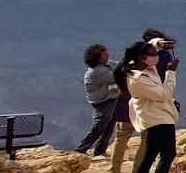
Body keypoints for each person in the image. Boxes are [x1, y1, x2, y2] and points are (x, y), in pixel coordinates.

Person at [117, 40, 179, 173]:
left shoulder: (145, 69)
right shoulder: (139, 79)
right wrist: (171, 73)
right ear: (142, 57)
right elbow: (164, 94)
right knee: (168, 155)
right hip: (158, 118)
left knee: (150, 154)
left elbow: (150, 44)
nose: (156, 56)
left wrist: (160, 43)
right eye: (153, 54)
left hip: (152, 117)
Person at [75, 44, 120, 156]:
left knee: (109, 126)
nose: (107, 55)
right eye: (104, 54)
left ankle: (100, 150)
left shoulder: (108, 64)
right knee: (99, 127)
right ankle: (81, 149)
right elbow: (118, 75)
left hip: (110, 98)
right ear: (97, 57)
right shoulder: (96, 72)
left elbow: (118, 66)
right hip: (102, 101)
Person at [108, 70, 136, 173]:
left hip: (125, 104)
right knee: (146, 138)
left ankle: (114, 169)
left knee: (121, 137)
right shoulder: (152, 63)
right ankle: (138, 169)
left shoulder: (126, 63)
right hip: (144, 106)